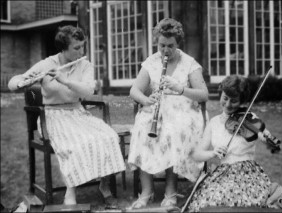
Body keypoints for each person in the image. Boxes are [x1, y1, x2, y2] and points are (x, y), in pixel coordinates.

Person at [8, 25, 126, 206]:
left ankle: (104, 186)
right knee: (74, 143)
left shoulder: (85, 65)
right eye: (76, 48)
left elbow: (88, 91)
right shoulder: (47, 64)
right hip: (53, 116)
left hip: (78, 113)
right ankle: (71, 192)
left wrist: (66, 80)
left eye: (82, 46)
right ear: (63, 48)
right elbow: (13, 82)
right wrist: (21, 82)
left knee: (108, 136)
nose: (81, 51)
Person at [127, 18, 209, 209]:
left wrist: (181, 89)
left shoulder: (189, 63)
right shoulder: (152, 61)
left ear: (178, 43)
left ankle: (170, 191)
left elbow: (203, 95)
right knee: (141, 130)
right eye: (161, 45)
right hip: (156, 109)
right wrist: (146, 100)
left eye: (170, 46)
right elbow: (134, 90)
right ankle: (146, 191)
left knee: (171, 132)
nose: (165, 50)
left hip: (185, 112)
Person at [188, 75, 282, 211]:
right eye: (225, 98)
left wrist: (268, 139)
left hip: (247, 174)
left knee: (243, 203)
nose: (228, 104)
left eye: (234, 101)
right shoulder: (214, 122)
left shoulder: (250, 119)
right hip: (223, 174)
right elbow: (197, 154)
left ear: (241, 101)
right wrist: (212, 153)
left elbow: (265, 137)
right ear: (220, 95)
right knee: (210, 201)